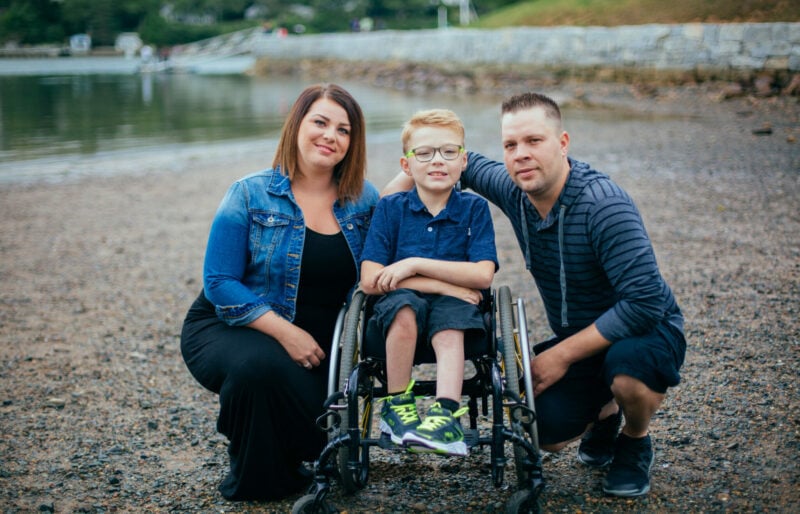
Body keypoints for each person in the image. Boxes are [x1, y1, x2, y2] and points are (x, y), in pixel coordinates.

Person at [383, 93, 686, 496]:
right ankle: (605, 414)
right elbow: (444, 157)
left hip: (646, 332)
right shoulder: (513, 188)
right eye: (511, 145)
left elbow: (645, 303)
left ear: (562, 143)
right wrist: (397, 195)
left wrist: (560, 355)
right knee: (542, 432)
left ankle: (634, 438)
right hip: (581, 337)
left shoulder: (604, 207)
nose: (521, 154)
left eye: (534, 141)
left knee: (627, 371)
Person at [180, 83, 378, 501]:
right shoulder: (249, 193)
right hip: (230, 322)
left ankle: (284, 448)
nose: (331, 136)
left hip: (322, 343)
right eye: (320, 122)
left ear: (352, 143)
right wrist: (285, 333)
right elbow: (219, 282)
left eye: (344, 130)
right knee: (257, 367)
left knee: (314, 429)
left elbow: (394, 238)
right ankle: (258, 480)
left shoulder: (365, 200)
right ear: (297, 125)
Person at [360, 109, 498, 456]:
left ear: (463, 161)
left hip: (454, 306)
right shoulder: (391, 209)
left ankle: (445, 414)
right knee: (404, 310)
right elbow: (369, 282)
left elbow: (482, 274)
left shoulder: (474, 209)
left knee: (451, 327)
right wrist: (442, 284)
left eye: (448, 152)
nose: (437, 161)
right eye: (424, 153)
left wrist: (413, 264)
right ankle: (397, 407)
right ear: (407, 166)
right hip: (401, 301)